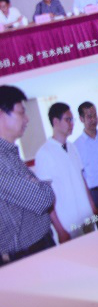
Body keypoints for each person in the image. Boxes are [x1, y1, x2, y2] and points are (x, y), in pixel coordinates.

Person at [0, 85, 56, 264]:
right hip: (27, 256)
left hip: (36, 248)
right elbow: (44, 199)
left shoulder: (9, 154)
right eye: (21, 112)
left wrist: (35, 184)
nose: (27, 119)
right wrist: (39, 185)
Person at [33, 102, 94, 241]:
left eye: (72, 119)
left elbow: (81, 179)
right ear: (55, 122)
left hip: (86, 217)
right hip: (68, 224)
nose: (72, 123)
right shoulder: (44, 154)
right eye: (68, 119)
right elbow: (45, 196)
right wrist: (60, 230)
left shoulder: (72, 147)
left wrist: (92, 206)